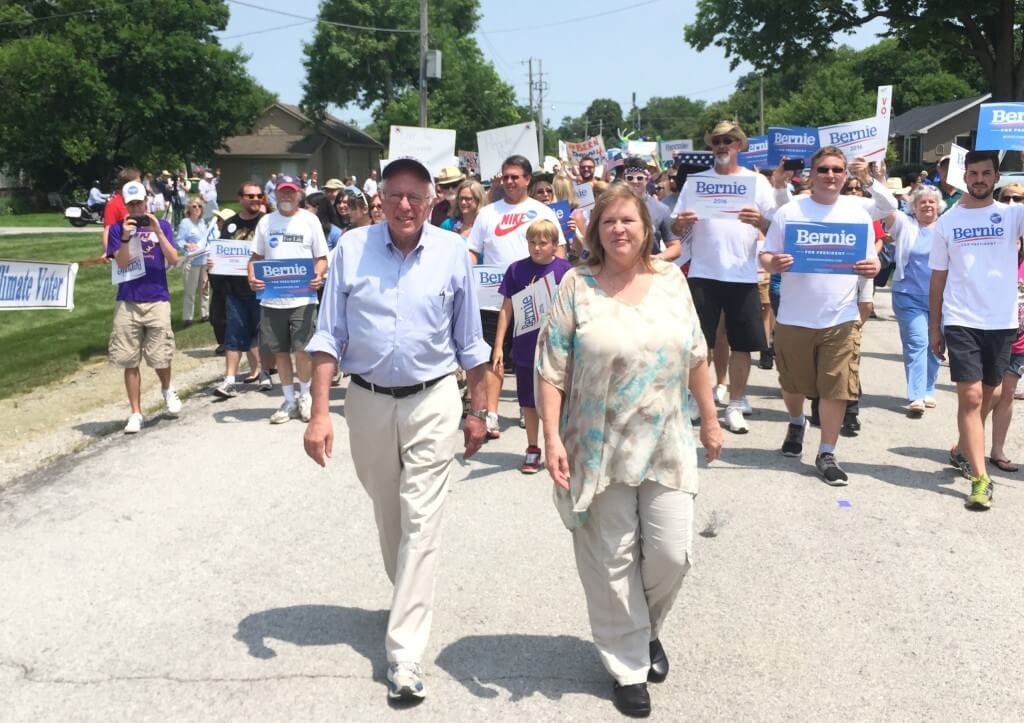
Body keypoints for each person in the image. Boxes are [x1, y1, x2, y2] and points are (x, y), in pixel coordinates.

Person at [303, 156, 490, 703]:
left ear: (433, 203)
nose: (404, 205)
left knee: (422, 518)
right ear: (379, 199)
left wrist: (478, 411)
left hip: (433, 400)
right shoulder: (350, 251)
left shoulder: (453, 252)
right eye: (395, 195)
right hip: (366, 402)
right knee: (391, 513)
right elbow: (326, 337)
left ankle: (404, 653)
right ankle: (407, 593)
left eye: (416, 196)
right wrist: (318, 415)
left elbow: (471, 344)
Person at [535, 183, 721, 718]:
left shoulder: (671, 282)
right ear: (595, 230)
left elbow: (696, 355)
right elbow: (550, 369)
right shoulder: (577, 284)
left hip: (666, 441)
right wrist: (550, 436)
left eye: (630, 221)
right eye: (609, 221)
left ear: (647, 229)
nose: (620, 229)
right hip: (597, 446)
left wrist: (709, 420)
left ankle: (644, 630)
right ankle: (627, 666)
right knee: (612, 560)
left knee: (671, 554)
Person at [759, 147, 895, 485]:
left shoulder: (857, 213)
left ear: (845, 174)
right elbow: (765, 254)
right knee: (793, 385)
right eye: (823, 170)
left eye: (837, 170)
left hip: (841, 318)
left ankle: (827, 452)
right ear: (811, 174)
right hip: (794, 316)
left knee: (836, 388)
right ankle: (795, 421)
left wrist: (875, 266)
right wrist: (772, 263)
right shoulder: (790, 212)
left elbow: (870, 260)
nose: (830, 176)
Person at [670, 121, 785, 433]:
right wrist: (681, 222)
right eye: (717, 141)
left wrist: (760, 220)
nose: (722, 146)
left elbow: (774, 228)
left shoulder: (756, 182)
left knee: (742, 345)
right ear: (712, 146)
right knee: (699, 345)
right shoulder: (696, 183)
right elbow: (676, 229)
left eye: (729, 141)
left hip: (742, 274)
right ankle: (698, 400)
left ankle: (735, 403)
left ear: (739, 146)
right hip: (703, 272)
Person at [929, 150, 1024, 510]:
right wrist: (934, 325)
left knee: (992, 395)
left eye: (987, 173)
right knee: (969, 398)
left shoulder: (1012, 215)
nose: (980, 179)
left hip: (1001, 321)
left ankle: (960, 449)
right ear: (964, 177)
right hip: (961, 319)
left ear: (996, 177)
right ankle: (981, 478)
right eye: (973, 173)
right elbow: (938, 278)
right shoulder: (947, 222)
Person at [467, 154, 567, 440]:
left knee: (533, 358)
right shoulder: (487, 213)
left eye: (516, 177)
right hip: (491, 297)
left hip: (537, 297)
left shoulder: (543, 211)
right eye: (506, 176)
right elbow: (473, 251)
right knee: (492, 356)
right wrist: (465, 277)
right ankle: (492, 413)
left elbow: (558, 250)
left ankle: (530, 408)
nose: (510, 182)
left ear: (527, 179)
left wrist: (556, 287)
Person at [492, 219, 573, 473]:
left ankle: (559, 446)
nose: (537, 248)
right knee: (528, 399)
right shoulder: (516, 270)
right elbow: (506, 310)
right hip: (525, 345)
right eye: (532, 242)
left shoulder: (566, 270)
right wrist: (498, 346)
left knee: (561, 396)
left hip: (558, 346)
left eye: (543, 243)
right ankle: (532, 447)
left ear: (554, 245)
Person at [248, 175, 328, 424]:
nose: (286, 196)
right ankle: (289, 400)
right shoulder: (266, 222)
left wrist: (318, 275)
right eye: (282, 191)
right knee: (280, 352)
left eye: (291, 191)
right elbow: (255, 258)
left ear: (299, 194)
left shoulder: (310, 220)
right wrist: (252, 278)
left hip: (303, 298)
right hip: (272, 299)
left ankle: (305, 396)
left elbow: (322, 257)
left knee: (303, 350)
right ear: (275, 193)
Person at [106, 180, 183, 433]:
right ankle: (135, 412)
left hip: (157, 297)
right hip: (128, 299)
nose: (137, 209)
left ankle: (167, 389)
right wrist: (127, 236)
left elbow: (173, 259)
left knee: (160, 353)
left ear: (147, 202)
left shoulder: (162, 225)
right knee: (129, 358)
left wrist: (157, 232)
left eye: (140, 202)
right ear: (126, 206)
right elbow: (123, 262)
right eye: (131, 205)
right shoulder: (118, 230)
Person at [883, 185, 946, 417]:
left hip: (941, 298)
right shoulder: (905, 224)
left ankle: (929, 387)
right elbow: (887, 205)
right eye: (922, 202)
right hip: (908, 295)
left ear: (938, 206)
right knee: (917, 342)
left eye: (931, 202)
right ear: (914, 207)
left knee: (935, 344)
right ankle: (917, 395)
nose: (927, 205)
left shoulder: (946, 227)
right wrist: (878, 177)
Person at [210, 185, 267, 398]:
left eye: (259, 196)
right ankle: (230, 380)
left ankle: (265, 373)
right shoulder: (232, 223)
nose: (255, 199)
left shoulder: (267, 222)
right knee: (232, 333)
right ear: (240, 198)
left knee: (263, 332)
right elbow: (222, 252)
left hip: (261, 288)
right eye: (250, 196)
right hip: (234, 289)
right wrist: (213, 262)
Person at [621, 157, 682, 262]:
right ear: (624, 180)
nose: (635, 182)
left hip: (649, 270)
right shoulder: (613, 206)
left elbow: (675, 247)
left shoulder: (661, 209)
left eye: (640, 178)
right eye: (630, 178)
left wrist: (657, 258)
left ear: (647, 179)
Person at [176, 195, 209, 327]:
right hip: (191, 260)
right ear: (189, 208)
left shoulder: (203, 223)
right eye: (194, 206)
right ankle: (188, 317)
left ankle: (205, 314)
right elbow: (179, 240)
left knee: (205, 288)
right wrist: (188, 245)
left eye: (199, 206)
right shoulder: (185, 223)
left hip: (204, 260)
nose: (197, 209)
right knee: (190, 290)